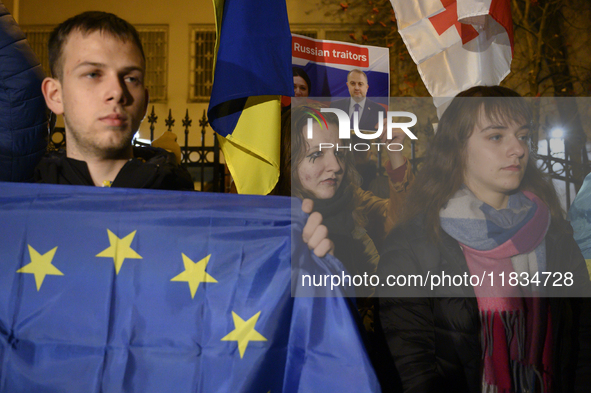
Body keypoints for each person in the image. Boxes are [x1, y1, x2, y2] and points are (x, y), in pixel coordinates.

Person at [378, 86, 591, 392]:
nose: (517, 149)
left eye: (523, 135)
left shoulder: (554, 233)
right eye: (496, 136)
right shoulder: (412, 244)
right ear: (457, 148)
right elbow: (412, 368)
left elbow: (582, 346)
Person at [35, 11, 194, 190]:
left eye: (131, 79)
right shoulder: (22, 205)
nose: (117, 92)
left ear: (145, 102)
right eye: (93, 74)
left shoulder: (184, 204)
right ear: (55, 95)